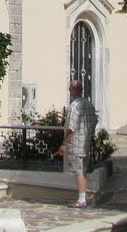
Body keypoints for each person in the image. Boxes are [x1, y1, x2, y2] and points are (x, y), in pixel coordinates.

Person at [55, 79, 98, 208]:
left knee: (78, 171)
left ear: (72, 90)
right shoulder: (88, 104)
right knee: (83, 170)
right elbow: (95, 121)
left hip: (76, 144)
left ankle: (81, 200)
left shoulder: (74, 106)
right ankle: (83, 196)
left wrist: (64, 144)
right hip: (86, 142)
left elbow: (71, 128)